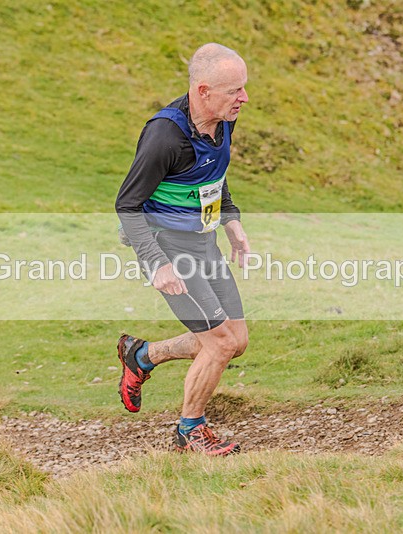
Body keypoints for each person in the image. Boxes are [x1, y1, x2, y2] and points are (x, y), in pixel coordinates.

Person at [114, 43, 250, 456]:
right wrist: (157, 264)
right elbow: (127, 206)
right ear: (203, 90)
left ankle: (143, 355)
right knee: (220, 344)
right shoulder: (164, 137)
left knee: (237, 339)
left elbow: (213, 171)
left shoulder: (223, 119)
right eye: (234, 91)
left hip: (202, 242)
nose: (244, 98)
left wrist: (231, 219)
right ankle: (189, 430)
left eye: (244, 89)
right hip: (168, 247)